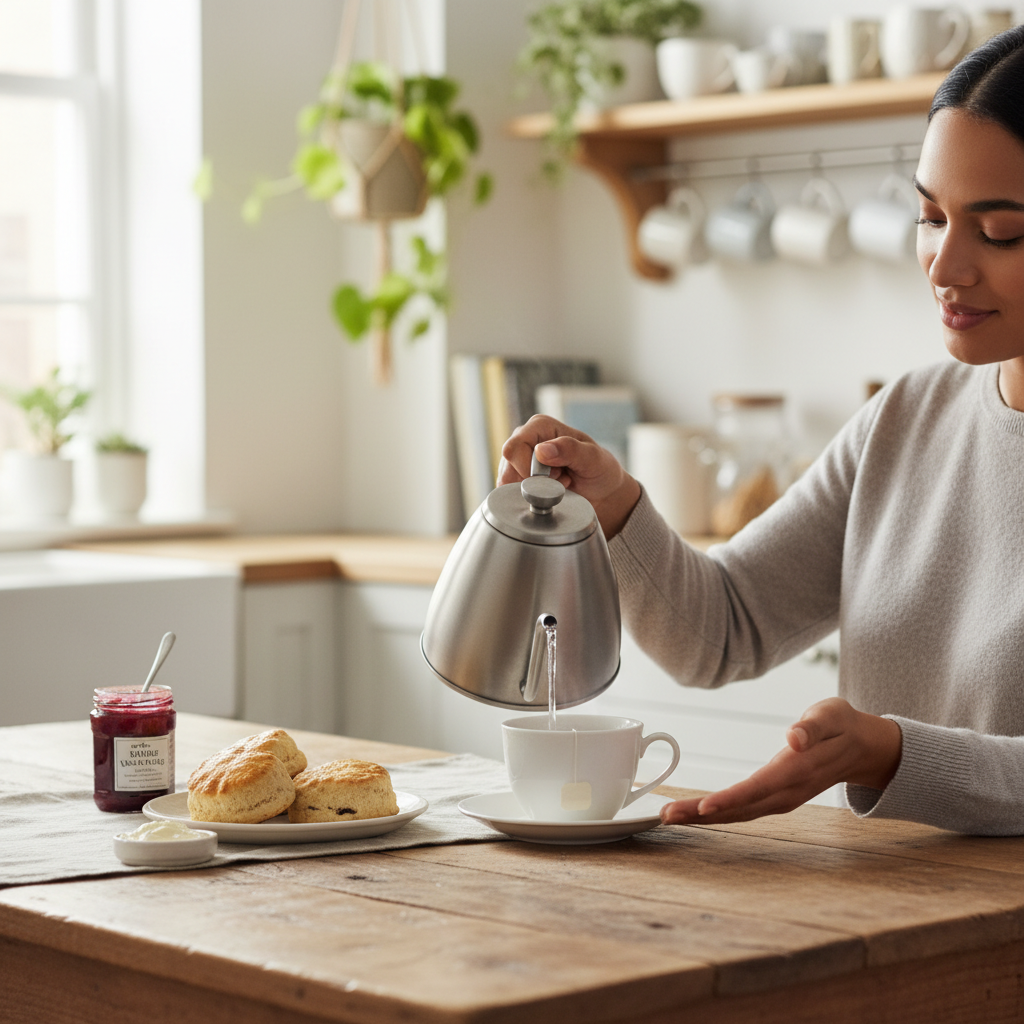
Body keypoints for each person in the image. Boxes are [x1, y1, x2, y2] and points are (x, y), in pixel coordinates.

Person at [498, 25, 1024, 836]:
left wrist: (892, 753)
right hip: (877, 915)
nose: (944, 266)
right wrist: (618, 508)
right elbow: (720, 632)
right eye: (928, 217)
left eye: (998, 232)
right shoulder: (904, 419)